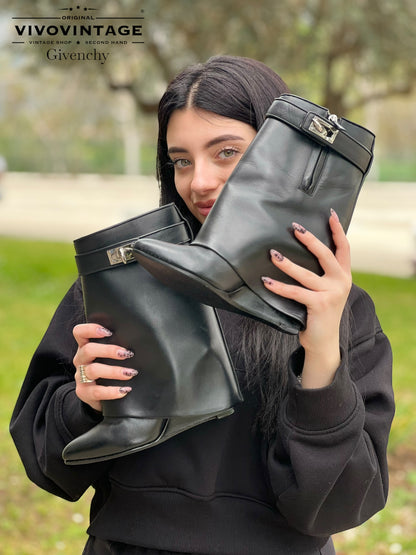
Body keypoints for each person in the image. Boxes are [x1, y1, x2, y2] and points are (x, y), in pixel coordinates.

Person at [10, 55, 394, 554]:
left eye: (227, 152)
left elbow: (341, 505)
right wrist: (87, 401)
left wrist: (321, 353)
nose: (199, 182)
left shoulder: (346, 311)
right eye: (181, 160)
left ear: (286, 153)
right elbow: (47, 463)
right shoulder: (128, 277)